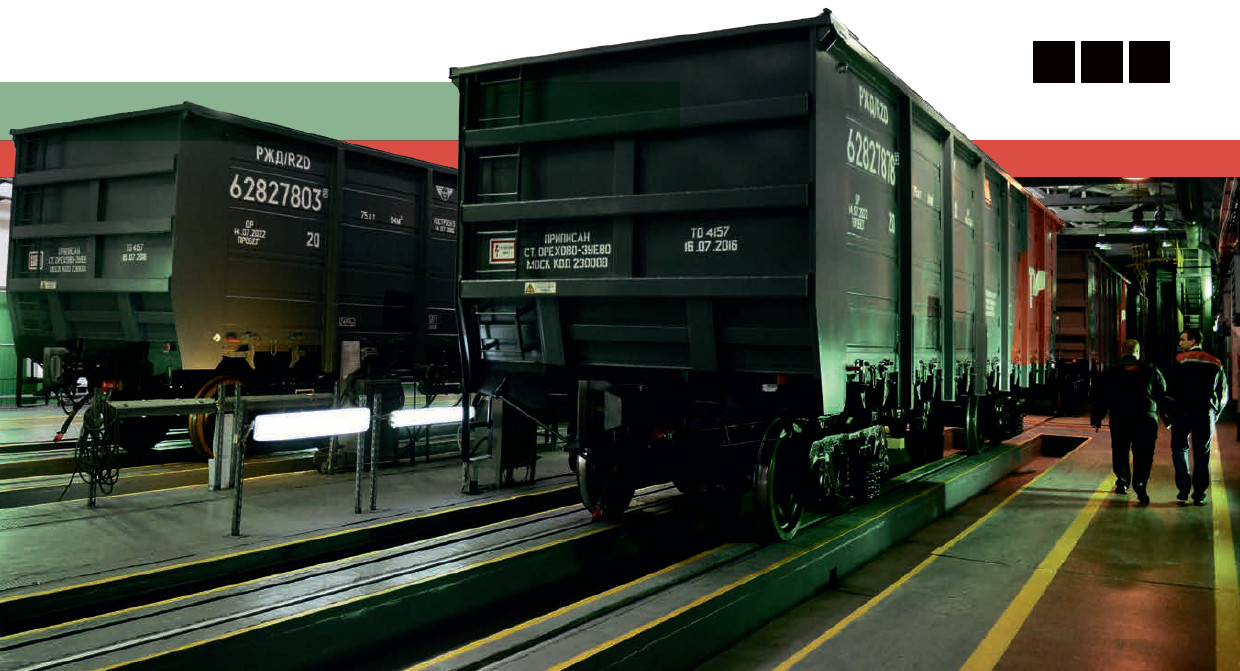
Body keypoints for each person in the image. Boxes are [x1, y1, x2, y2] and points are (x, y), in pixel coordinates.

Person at [1091, 339, 1169, 505]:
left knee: (1120, 450)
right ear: (1138, 352)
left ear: (1122, 351)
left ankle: (1123, 482)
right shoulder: (1151, 369)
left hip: (1121, 417)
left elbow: (1102, 396)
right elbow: (1161, 394)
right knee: (1144, 453)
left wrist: (1097, 417)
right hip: (1146, 418)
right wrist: (1166, 416)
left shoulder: (1112, 370)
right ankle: (1140, 484)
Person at [1166, 328, 1227, 505]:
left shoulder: (1179, 360)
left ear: (1193, 341)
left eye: (1182, 340)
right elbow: (1222, 392)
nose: (1180, 343)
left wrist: (1169, 414)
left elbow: (1170, 390)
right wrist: (1215, 412)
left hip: (1181, 412)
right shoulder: (1215, 362)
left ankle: (1183, 489)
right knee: (1202, 453)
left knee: (1179, 448)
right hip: (1204, 413)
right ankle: (1199, 493)